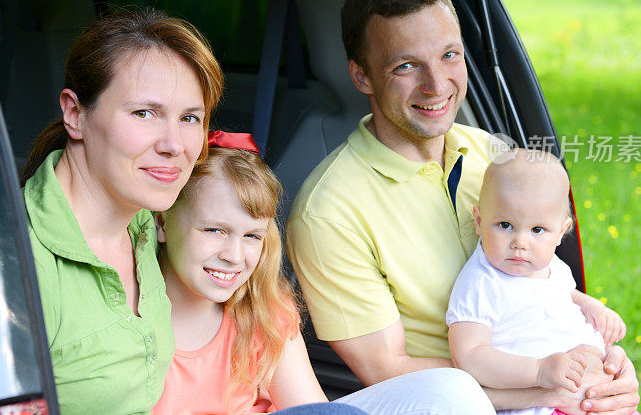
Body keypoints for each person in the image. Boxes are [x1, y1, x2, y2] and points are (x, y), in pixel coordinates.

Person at [286, 0, 640, 413]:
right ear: (362, 77)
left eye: (449, 56)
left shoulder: (497, 156)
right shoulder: (327, 212)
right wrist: (546, 382)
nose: (437, 85)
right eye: (407, 65)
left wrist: (607, 369)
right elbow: (388, 370)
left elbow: (548, 291)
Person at [153, 132, 494, 415]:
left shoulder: (264, 311)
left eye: (252, 236)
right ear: (162, 222)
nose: (233, 256)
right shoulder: (133, 321)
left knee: (454, 387)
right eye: (214, 230)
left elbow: (310, 409)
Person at [21, 8, 223, 414]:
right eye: (144, 113)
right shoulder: (20, 261)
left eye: (189, 118)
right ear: (75, 115)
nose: (175, 144)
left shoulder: (145, 222)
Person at [447, 149, 633, 415]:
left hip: (594, 391)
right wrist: (538, 371)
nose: (520, 243)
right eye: (504, 224)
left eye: (537, 230)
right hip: (541, 406)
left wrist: (592, 306)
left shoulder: (552, 267)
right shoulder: (480, 284)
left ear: (560, 232)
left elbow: (565, 294)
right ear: (479, 221)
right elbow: (469, 356)